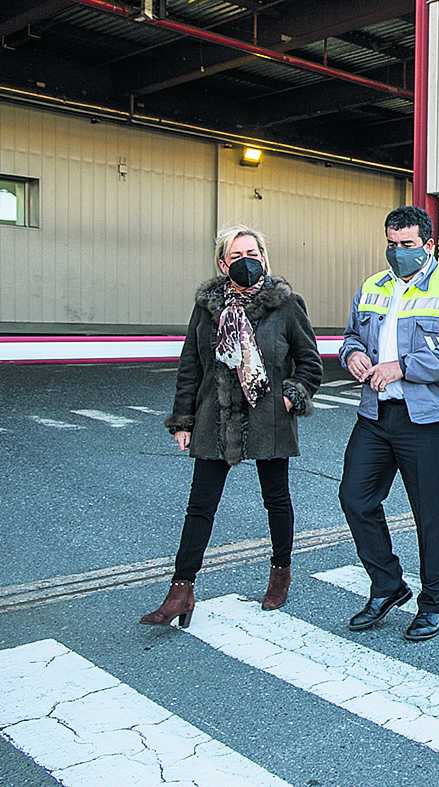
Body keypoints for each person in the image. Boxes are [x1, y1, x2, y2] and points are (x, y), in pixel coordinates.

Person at [142, 225, 323, 627]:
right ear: (223, 263)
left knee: (276, 499)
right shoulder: (207, 308)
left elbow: (310, 364)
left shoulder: (287, 305)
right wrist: (183, 419)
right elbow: (190, 365)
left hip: (269, 416)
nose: (246, 261)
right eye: (237, 255)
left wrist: (291, 396)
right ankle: (181, 590)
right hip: (215, 416)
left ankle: (280, 573)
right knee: (199, 507)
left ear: (264, 257)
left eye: (253, 253)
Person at [338, 205, 439, 642]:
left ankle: (432, 602)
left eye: (408, 245)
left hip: (429, 418)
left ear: (430, 245)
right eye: (392, 245)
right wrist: (353, 356)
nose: (398, 253)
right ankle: (387, 585)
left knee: (430, 514)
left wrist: (402, 367)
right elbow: (350, 337)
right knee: (354, 498)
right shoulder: (372, 287)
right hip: (376, 413)